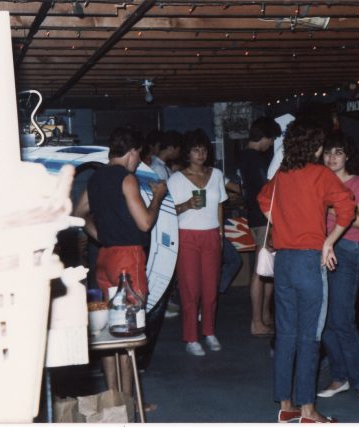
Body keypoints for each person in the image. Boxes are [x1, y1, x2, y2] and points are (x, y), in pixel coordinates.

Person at [257, 120, 356, 423]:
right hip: (310, 262)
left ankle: (286, 406)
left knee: (285, 334)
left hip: (284, 263)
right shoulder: (321, 174)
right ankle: (309, 412)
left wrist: (283, 223)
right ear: (316, 147)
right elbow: (347, 207)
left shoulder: (282, 176)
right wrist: (328, 242)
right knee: (309, 337)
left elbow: (263, 200)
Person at [74, 127, 167, 397]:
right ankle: (128, 401)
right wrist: (158, 197)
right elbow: (145, 222)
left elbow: (78, 213)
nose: (138, 163)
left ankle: (114, 396)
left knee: (107, 333)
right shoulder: (127, 179)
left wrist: (100, 235)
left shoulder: (95, 179)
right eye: (139, 157)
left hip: (104, 257)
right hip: (128, 259)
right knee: (129, 334)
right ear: (132, 152)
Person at [317, 132, 359, 407]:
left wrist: (334, 213)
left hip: (346, 250)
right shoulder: (319, 182)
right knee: (324, 319)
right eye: (328, 152)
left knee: (342, 318)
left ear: (347, 155)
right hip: (317, 251)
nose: (332, 158)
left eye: (338, 152)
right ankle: (340, 377)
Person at [166, 129, 228, 356]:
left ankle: (209, 332)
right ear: (187, 153)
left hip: (211, 234)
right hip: (187, 236)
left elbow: (221, 204)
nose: (200, 154)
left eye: (203, 149)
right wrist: (187, 205)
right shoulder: (176, 179)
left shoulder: (217, 175)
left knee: (211, 288)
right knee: (190, 290)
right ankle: (191, 337)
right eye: (195, 150)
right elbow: (168, 211)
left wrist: (221, 235)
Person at [239, 116, 281, 336]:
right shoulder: (254, 158)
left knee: (265, 267)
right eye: (271, 139)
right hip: (263, 217)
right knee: (261, 268)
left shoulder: (245, 156)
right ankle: (257, 321)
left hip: (257, 217)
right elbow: (266, 189)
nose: (271, 144)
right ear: (264, 137)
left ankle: (263, 317)